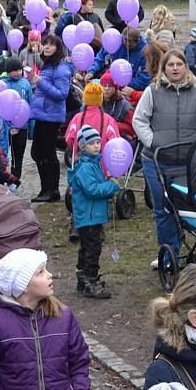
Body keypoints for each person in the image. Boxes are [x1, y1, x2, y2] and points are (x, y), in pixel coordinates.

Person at [0, 249, 94, 390]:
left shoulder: (63, 316)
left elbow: (79, 360)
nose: (49, 275)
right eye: (40, 272)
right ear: (22, 286)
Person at [133, 50, 196, 268]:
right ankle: (168, 255)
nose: (175, 68)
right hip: (157, 161)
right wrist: (152, 141)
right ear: (164, 68)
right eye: (171, 65)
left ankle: (185, 247)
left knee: (185, 207)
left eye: (179, 64)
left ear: (186, 67)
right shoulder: (153, 91)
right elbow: (139, 120)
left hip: (187, 162)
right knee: (163, 208)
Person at [67, 125, 120, 299]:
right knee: (93, 250)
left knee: (86, 249)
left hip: (90, 217)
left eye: (98, 142)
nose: (97, 146)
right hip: (88, 218)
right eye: (92, 143)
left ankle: (82, 279)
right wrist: (111, 186)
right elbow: (92, 190)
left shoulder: (93, 164)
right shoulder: (85, 168)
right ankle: (91, 281)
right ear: (83, 146)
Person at [29, 35, 73, 202]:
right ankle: (44, 189)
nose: (46, 47)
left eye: (51, 45)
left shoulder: (61, 69)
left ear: (58, 48)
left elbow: (62, 94)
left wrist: (41, 83)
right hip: (42, 114)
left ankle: (52, 190)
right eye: (45, 44)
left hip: (51, 116)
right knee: (37, 152)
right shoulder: (48, 66)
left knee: (47, 153)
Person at [64, 82, 121, 164]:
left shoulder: (77, 118)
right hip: (101, 166)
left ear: (84, 98)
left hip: (80, 165)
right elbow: (115, 143)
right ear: (101, 99)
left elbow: (69, 139)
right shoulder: (109, 120)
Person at [86, 28, 150, 92]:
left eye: (130, 41)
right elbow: (100, 57)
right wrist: (92, 70)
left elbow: (144, 80)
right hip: (111, 82)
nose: (127, 43)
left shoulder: (145, 52)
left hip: (131, 89)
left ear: (137, 41)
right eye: (125, 40)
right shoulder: (116, 41)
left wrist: (121, 83)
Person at [0, 58, 33, 179]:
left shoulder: (25, 83)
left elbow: (30, 103)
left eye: (19, 70)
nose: (18, 73)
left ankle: (15, 179)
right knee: (3, 153)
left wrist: (30, 125)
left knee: (18, 155)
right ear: (8, 71)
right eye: (14, 70)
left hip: (22, 125)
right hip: (5, 126)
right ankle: (2, 178)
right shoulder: (3, 83)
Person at [100, 71, 135, 137]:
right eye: (104, 86)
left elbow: (133, 128)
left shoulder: (125, 105)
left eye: (110, 86)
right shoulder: (96, 102)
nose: (106, 89)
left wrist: (114, 125)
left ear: (115, 88)